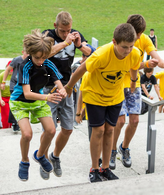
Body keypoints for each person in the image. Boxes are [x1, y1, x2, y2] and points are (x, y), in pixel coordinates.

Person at [65, 23, 140, 182]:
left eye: (131, 47)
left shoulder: (133, 53)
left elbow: (134, 65)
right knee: (98, 130)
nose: (127, 51)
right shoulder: (101, 55)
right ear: (114, 42)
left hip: (115, 95)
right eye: (124, 47)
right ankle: (94, 169)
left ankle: (105, 168)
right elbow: (81, 69)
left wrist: (133, 82)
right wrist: (70, 86)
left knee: (109, 130)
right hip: (95, 93)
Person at [40, 11, 92, 180]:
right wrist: (64, 42)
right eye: (62, 31)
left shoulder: (74, 34)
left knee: (68, 129)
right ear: (56, 26)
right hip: (48, 89)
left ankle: (55, 156)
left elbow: (90, 52)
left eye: (67, 30)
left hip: (67, 88)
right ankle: (44, 158)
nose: (65, 34)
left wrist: (78, 44)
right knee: (49, 130)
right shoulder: (47, 35)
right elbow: (42, 55)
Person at [9, 29, 66, 181]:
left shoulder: (47, 63)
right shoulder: (25, 66)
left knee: (51, 130)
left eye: (43, 57)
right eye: (36, 57)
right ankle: (24, 161)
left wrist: (63, 91)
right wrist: (47, 96)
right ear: (30, 53)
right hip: (20, 102)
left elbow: (58, 81)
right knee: (27, 134)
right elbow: (27, 93)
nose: (40, 61)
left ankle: (40, 155)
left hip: (38, 101)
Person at [110, 14, 164, 171]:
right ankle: (112, 150)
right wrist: (145, 63)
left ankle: (124, 148)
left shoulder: (145, 39)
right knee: (119, 121)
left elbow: (158, 59)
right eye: (137, 33)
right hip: (120, 83)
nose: (138, 36)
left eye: (140, 33)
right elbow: (127, 65)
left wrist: (159, 62)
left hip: (135, 84)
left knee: (134, 121)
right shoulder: (122, 39)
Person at [2, 49, 29, 131]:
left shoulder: (30, 60)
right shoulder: (17, 60)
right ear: (22, 52)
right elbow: (7, 69)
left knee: (23, 102)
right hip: (14, 84)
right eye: (26, 52)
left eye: (29, 53)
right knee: (15, 102)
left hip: (24, 84)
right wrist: (3, 81)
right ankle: (14, 122)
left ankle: (21, 121)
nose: (28, 55)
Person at [0, 61, 13, 129]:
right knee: (6, 115)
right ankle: (5, 128)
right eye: (9, 70)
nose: (10, 72)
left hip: (12, 97)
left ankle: (11, 127)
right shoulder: (2, 75)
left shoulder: (15, 75)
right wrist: (0, 99)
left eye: (12, 70)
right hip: (3, 97)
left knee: (12, 114)